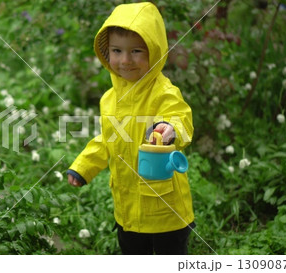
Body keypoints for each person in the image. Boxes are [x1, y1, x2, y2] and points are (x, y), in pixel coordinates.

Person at [66, 2, 195, 255]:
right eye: (117, 50)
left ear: (155, 51)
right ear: (106, 52)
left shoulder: (162, 92)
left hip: (165, 210)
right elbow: (106, 139)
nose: (125, 60)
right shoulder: (110, 98)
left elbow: (180, 117)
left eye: (136, 51)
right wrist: (84, 166)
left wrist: (170, 128)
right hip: (126, 210)